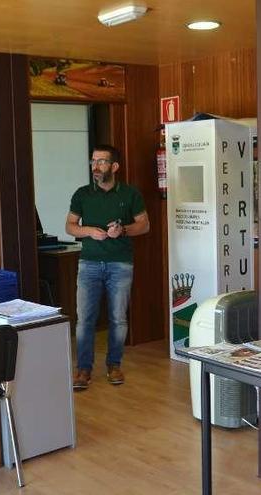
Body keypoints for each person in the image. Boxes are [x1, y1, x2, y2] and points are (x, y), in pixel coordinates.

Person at [66, 144, 149, 390]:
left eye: (101, 162)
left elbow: (144, 225)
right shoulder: (82, 194)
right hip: (89, 263)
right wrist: (89, 231)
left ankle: (114, 365)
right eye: (93, 161)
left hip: (120, 264)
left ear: (114, 166)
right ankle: (83, 369)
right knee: (85, 320)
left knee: (118, 318)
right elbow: (70, 225)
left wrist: (122, 229)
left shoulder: (130, 194)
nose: (95, 166)